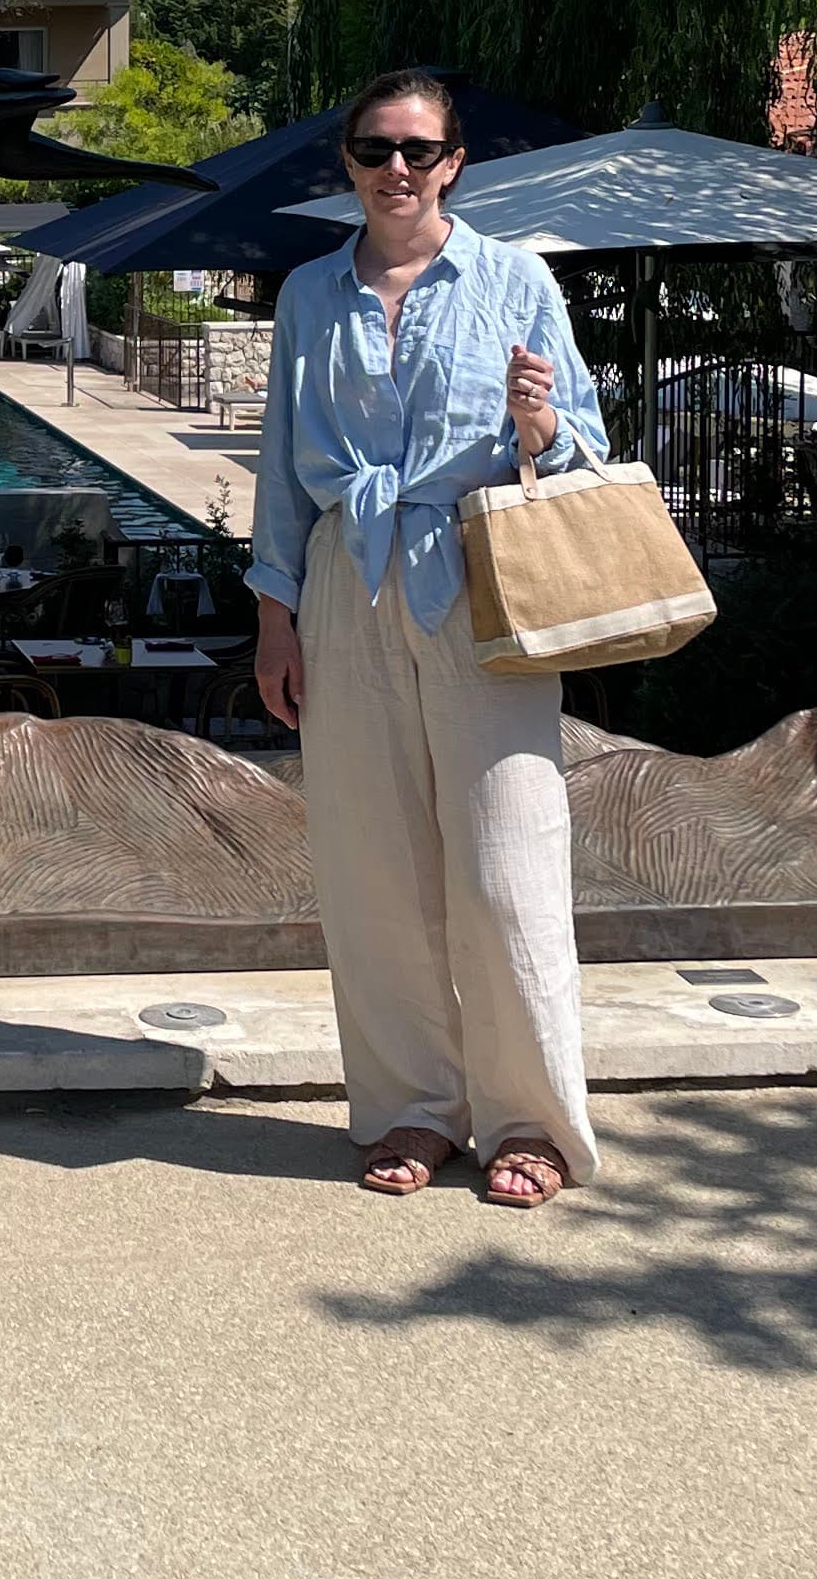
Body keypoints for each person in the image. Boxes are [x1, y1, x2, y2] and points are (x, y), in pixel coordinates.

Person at [246, 71, 606, 1208]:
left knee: (509, 871)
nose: (395, 169)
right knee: (372, 869)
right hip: (347, 586)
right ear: (346, 163)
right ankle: (412, 1105)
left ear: (456, 161)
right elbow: (278, 467)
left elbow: (586, 447)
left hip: (480, 580)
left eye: (418, 149)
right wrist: (275, 615)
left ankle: (531, 1121)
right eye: (373, 149)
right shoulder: (308, 293)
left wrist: (541, 423)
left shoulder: (515, 279)